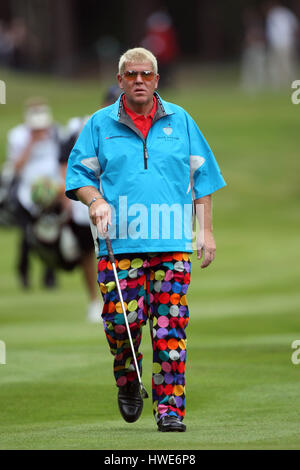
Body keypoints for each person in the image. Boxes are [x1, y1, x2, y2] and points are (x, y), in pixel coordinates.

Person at [65, 47, 226, 432]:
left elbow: (202, 178)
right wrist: (96, 200)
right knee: (121, 324)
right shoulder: (99, 124)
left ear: (156, 80)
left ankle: (170, 410)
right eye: (131, 74)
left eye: (146, 74)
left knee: (170, 330)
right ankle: (128, 378)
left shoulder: (181, 121)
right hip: (119, 245)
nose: (139, 80)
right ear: (120, 80)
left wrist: (205, 230)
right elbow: (79, 176)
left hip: (172, 246)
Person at [60, 85, 121, 322]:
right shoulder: (83, 126)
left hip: (120, 201)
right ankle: (95, 301)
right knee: (88, 253)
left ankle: (120, 299)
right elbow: (64, 159)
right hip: (87, 200)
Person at [6, 98, 61, 288]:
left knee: (52, 236)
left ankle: (50, 277)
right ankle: (24, 273)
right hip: (26, 194)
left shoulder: (55, 132)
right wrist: (31, 142)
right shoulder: (17, 136)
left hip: (52, 192)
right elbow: (17, 166)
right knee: (27, 237)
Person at [264, 1, 299, 88]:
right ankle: (279, 83)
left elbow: (295, 27)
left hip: (285, 42)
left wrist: (292, 40)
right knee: (276, 64)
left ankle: (290, 82)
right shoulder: (272, 15)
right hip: (276, 44)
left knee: (286, 63)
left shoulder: (284, 13)